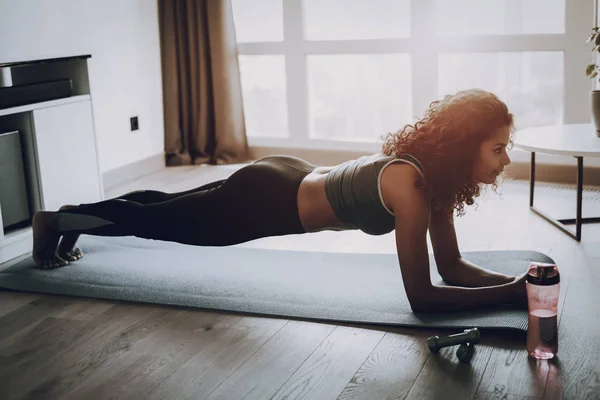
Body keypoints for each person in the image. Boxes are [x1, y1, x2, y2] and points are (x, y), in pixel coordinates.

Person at [31, 88, 527, 313]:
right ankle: (55, 222)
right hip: (267, 200)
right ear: (465, 145)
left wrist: (519, 283)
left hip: (284, 177)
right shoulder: (412, 186)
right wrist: (506, 297)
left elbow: (454, 267)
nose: (505, 159)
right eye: (498, 147)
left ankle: (72, 215)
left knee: (168, 206)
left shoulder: (431, 182)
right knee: (162, 223)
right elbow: (422, 298)